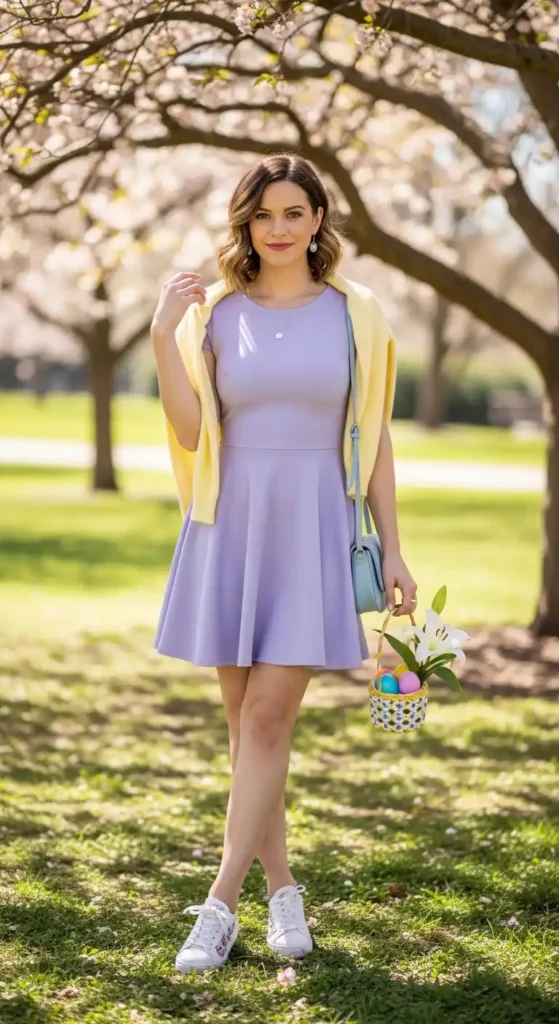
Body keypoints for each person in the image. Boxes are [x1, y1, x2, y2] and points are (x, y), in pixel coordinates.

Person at [150, 153, 417, 973]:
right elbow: (192, 432)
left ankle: (218, 905)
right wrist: (163, 333)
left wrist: (394, 545)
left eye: (294, 213)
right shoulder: (217, 313)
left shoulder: (355, 313)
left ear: (317, 220)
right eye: (264, 215)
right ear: (246, 222)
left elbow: (372, 439)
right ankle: (283, 890)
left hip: (313, 526)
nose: (278, 228)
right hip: (231, 523)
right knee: (244, 728)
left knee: (268, 718)